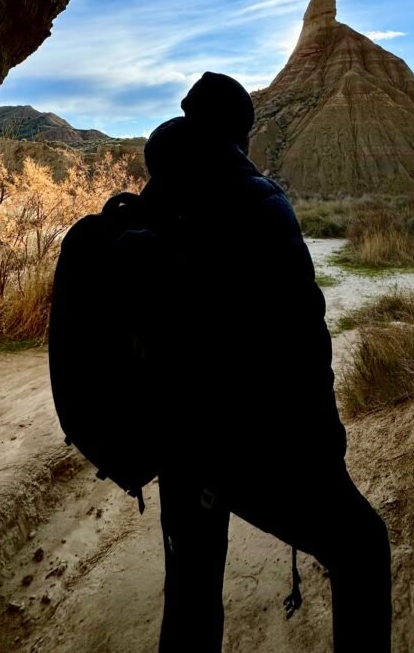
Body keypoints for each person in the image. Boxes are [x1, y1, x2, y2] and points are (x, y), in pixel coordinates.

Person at [139, 72, 392, 653]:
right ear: (242, 132)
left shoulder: (158, 200)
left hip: (180, 441)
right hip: (250, 444)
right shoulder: (259, 201)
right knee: (362, 548)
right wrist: (324, 448)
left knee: (191, 594)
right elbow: (301, 339)